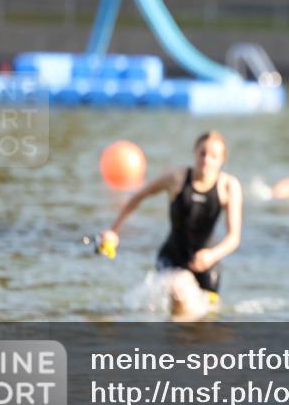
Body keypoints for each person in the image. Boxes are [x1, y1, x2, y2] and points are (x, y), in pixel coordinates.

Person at [100, 131, 243, 319]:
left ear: (222, 160)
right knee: (179, 293)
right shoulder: (176, 178)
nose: (206, 160)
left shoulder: (229, 186)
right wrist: (113, 231)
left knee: (207, 322)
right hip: (172, 258)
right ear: (194, 153)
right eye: (202, 153)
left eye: (213, 156)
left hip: (207, 267)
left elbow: (233, 237)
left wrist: (211, 256)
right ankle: (176, 345)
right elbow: (138, 197)